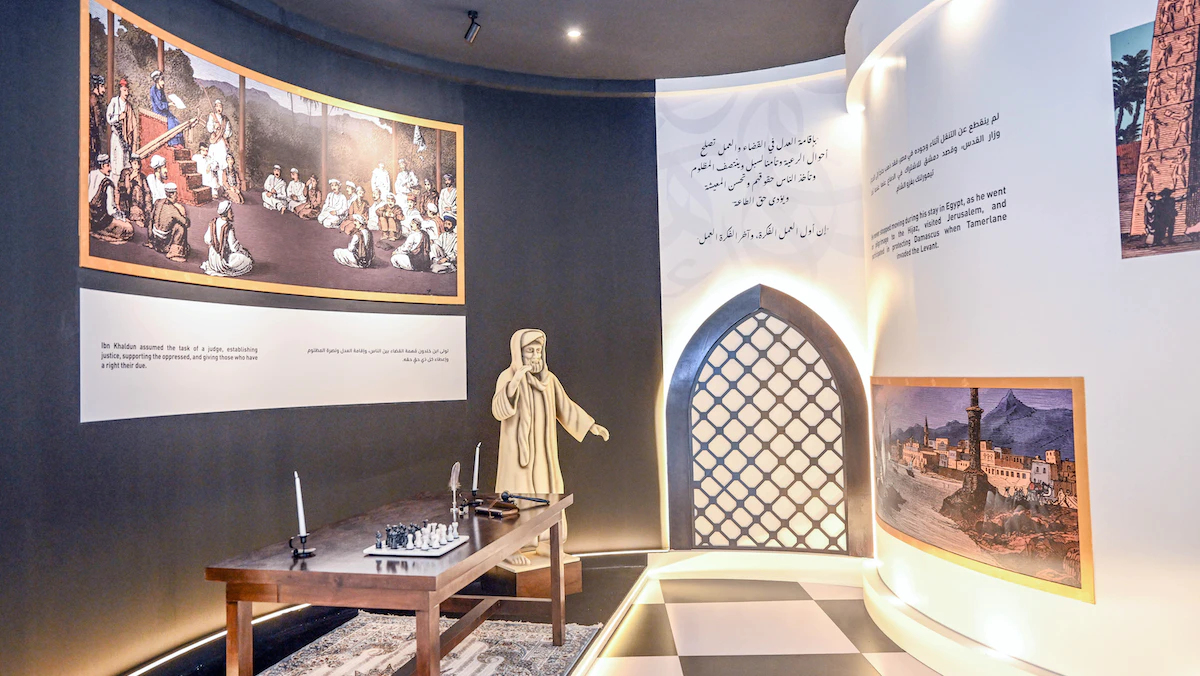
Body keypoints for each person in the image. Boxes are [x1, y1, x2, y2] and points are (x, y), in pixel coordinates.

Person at [491, 329, 608, 564]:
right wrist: (515, 383)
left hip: (544, 454)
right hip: (519, 457)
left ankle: (547, 544)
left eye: (538, 351)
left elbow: (565, 407)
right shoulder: (507, 377)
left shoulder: (549, 380)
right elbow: (498, 410)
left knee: (549, 494)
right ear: (518, 353)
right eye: (529, 351)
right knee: (519, 497)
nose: (535, 356)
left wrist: (590, 426)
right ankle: (512, 548)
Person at [87, 154, 134, 244]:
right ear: (102, 166)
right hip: (102, 221)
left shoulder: (91, 175)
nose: (111, 168)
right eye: (108, 166)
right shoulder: (107, 183)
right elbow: (110, 210)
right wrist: (122, 219)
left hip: (90, 218)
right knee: (129, 229)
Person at [201, 200, 253, 277]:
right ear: (226, 213)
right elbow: (234, 247)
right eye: (230, 212)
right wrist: (244, 252)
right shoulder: (228, 227)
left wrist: (213, 245)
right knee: (247, 261)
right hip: (223, 261)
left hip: (213, 259)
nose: (233, 214)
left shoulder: (213, 222)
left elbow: (207, 239)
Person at [146, 183, 190, 262]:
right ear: (173, 194)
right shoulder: (173, 209)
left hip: (154, 239)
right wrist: (182, 212)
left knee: (153, 218)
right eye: (176, 193)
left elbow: (150, 219)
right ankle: (174, 254)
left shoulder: (158, 202)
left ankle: (150, 242)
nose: (177, 195)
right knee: (181, 227)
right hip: (163, 243)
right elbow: (187, 223)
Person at [106, 78, 132, 179]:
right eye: (124, 90)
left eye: (127, 90)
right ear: (120, 90)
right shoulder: (114, 101)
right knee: (117, 162)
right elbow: (109, 118)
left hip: (125, 138)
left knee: (126, 161)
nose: (126, 93)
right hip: (117, 136)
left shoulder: (128, 105)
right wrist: (118, 117)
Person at [149, 70, 183, 147]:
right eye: (161, 80)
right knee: (171, 123)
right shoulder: (153, 90)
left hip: (165, 111)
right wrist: (170, 104)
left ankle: (178, 142)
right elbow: (160, 105)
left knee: (176, 121)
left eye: (163, 80)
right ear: (157, 81)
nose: (163, 82)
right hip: (158, 112)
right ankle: (173, 143)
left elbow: (164, 102)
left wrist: (170, 103)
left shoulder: (161, 90)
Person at [118, 154, 151, 230]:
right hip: (129, 207)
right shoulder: (126, 173)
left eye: (139, 163)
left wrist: (148, 209)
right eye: (135, 163)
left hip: (141, 208)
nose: (137, 166)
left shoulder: (142, 176)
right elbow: (123, 192)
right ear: (131, 163)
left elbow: (147, 193)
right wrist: (131, 179)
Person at [205, 99, 233, 183]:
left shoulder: (225, 119)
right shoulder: (212, 116)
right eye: (217, 106)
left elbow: (228, 131)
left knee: (222, 164)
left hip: (221, 143)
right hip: (214, 141)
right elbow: (209, 128)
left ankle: (222, 183)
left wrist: (224, 135)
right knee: (212, 163)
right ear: (215, 107)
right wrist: (215, 126)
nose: (219, 108)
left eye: (220, 106)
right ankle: (213, 184)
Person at [89, 74, 106, 164]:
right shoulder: (94, 100)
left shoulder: (95, 99)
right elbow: (97, 121)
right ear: (96, 87)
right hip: (93, 135)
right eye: (102, 86)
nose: (104, 90)